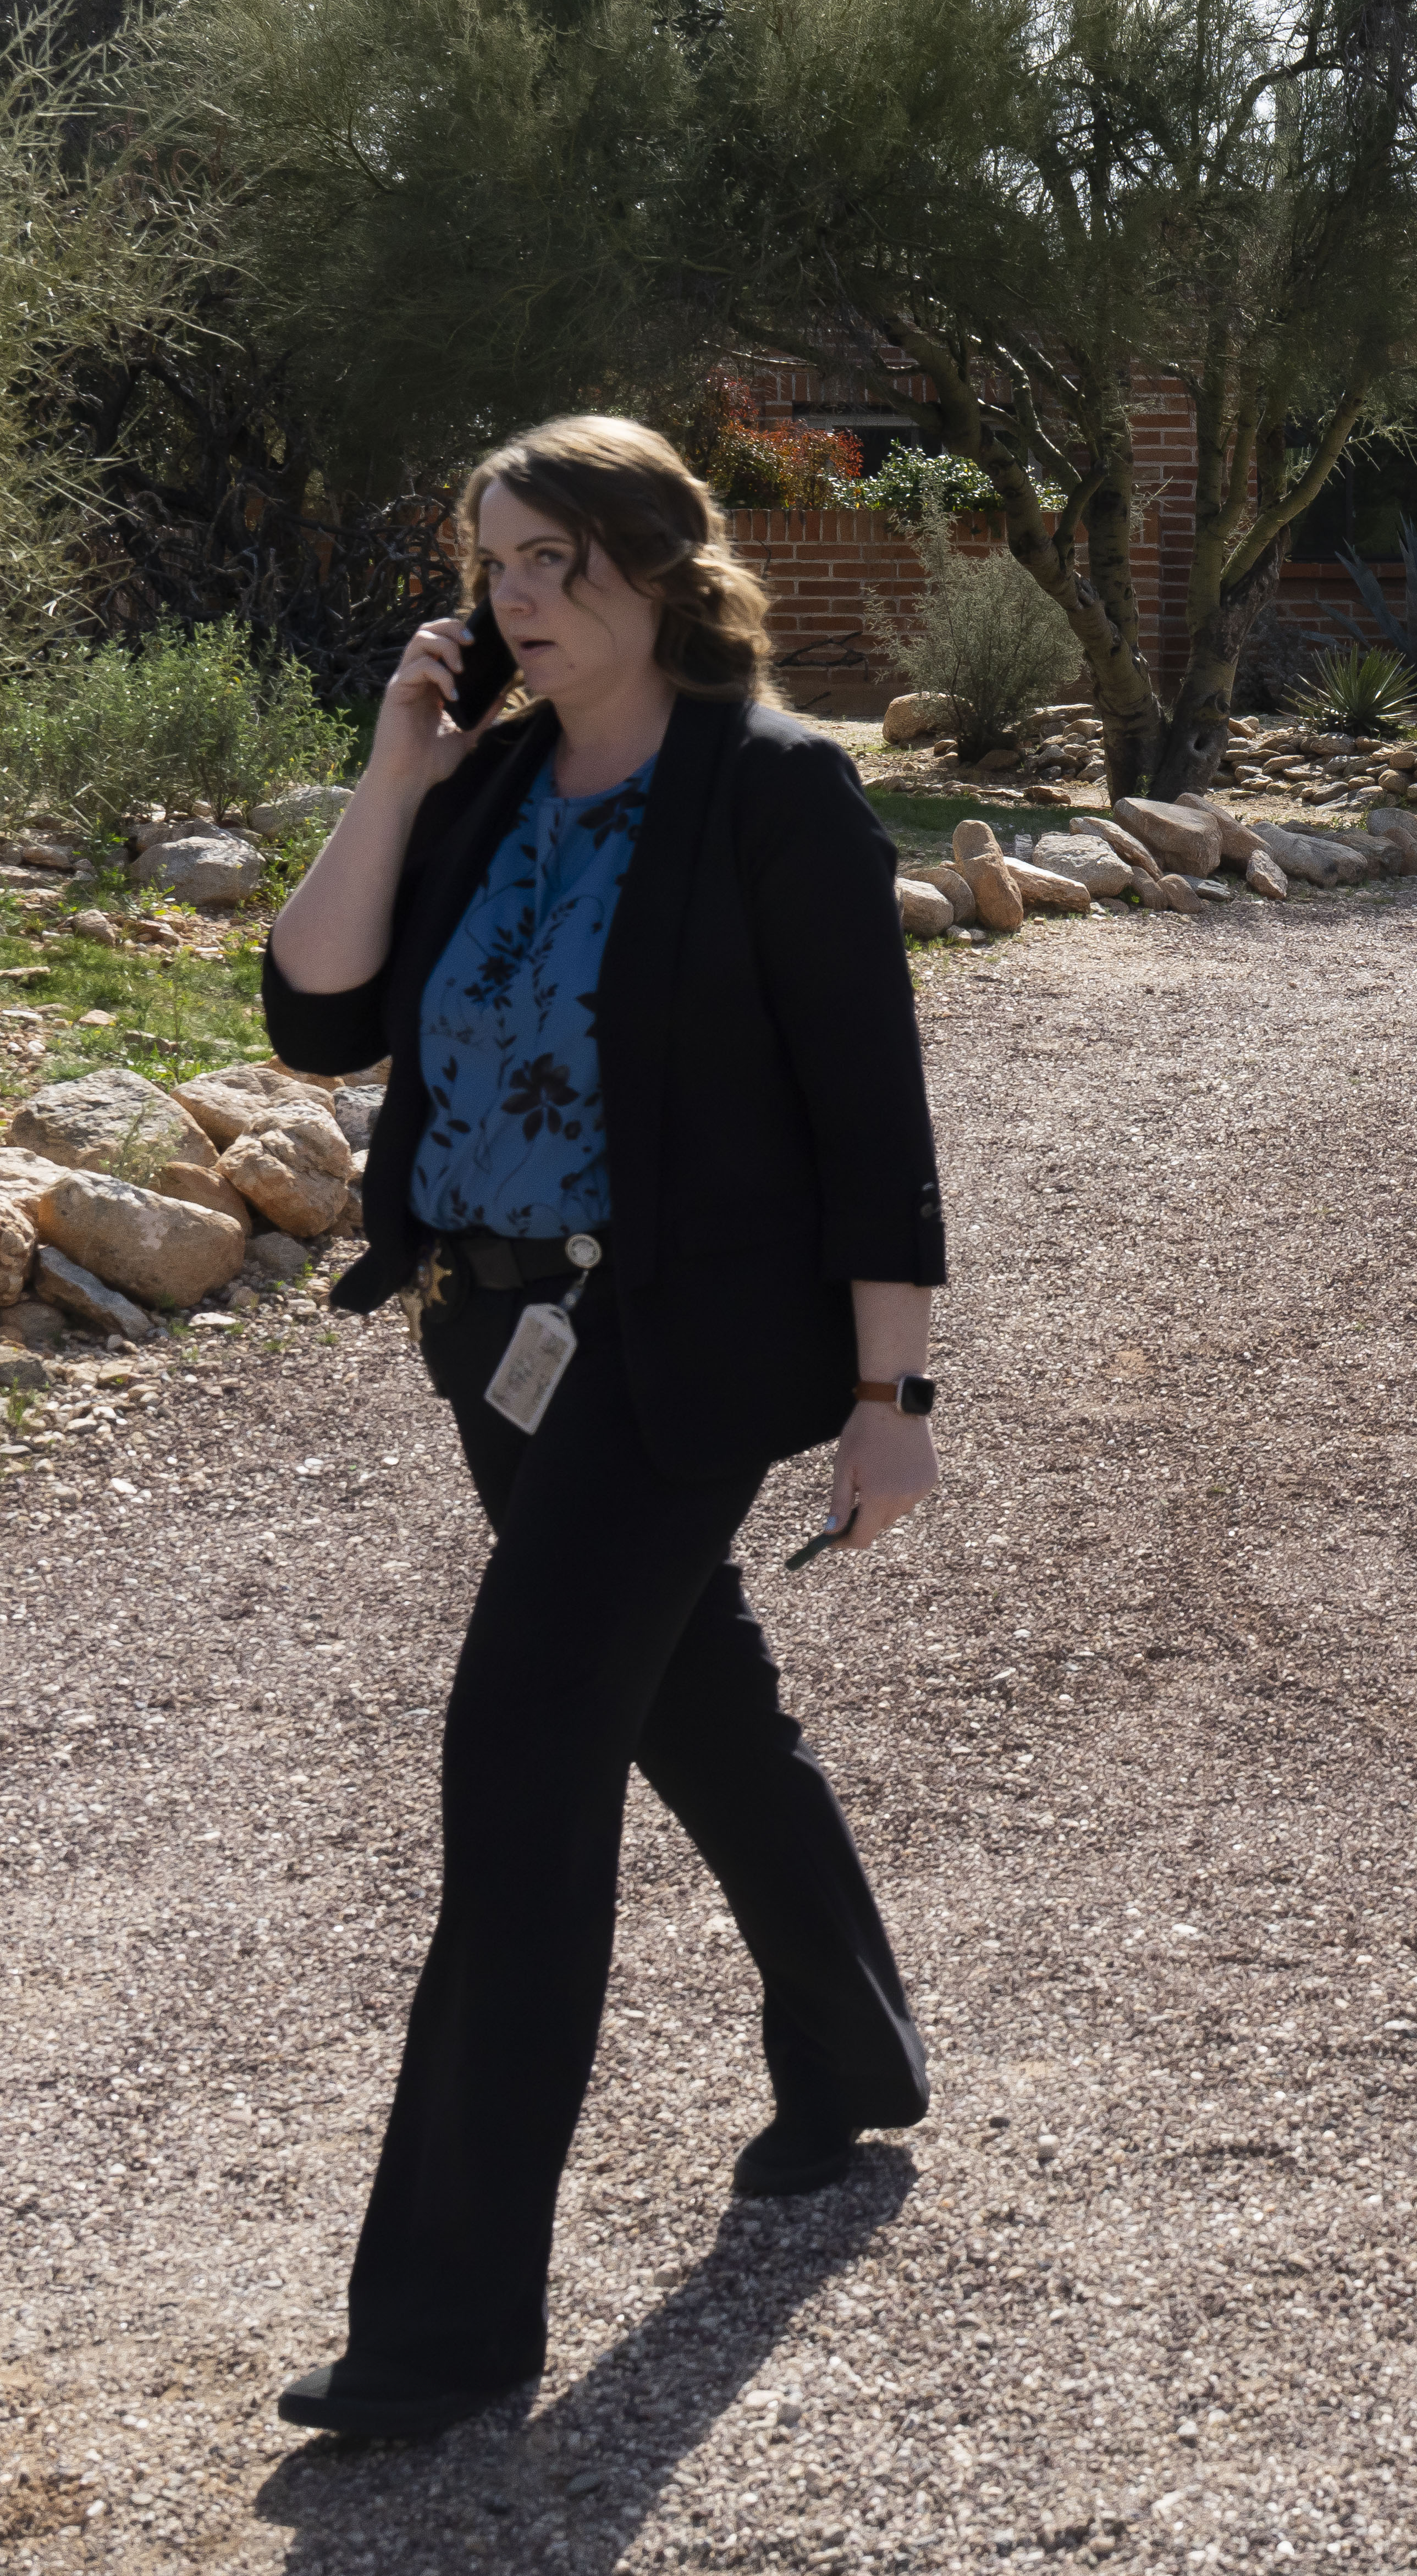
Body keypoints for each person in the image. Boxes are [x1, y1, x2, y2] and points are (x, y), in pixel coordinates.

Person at [256, 415, 949, 2442]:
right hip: (493, 1340)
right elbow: (316, 1003)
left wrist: (891, 1396)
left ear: (660, 564)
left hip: (676, 1356)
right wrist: (396, 761)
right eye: (493, 567)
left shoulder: (777, 795)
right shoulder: (479, 787)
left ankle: (446, 2328)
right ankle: (854, 2045)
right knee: (692, 1697)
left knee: (522, 1762)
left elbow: (870, 1124)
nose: (516, 602)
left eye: (555, 560)